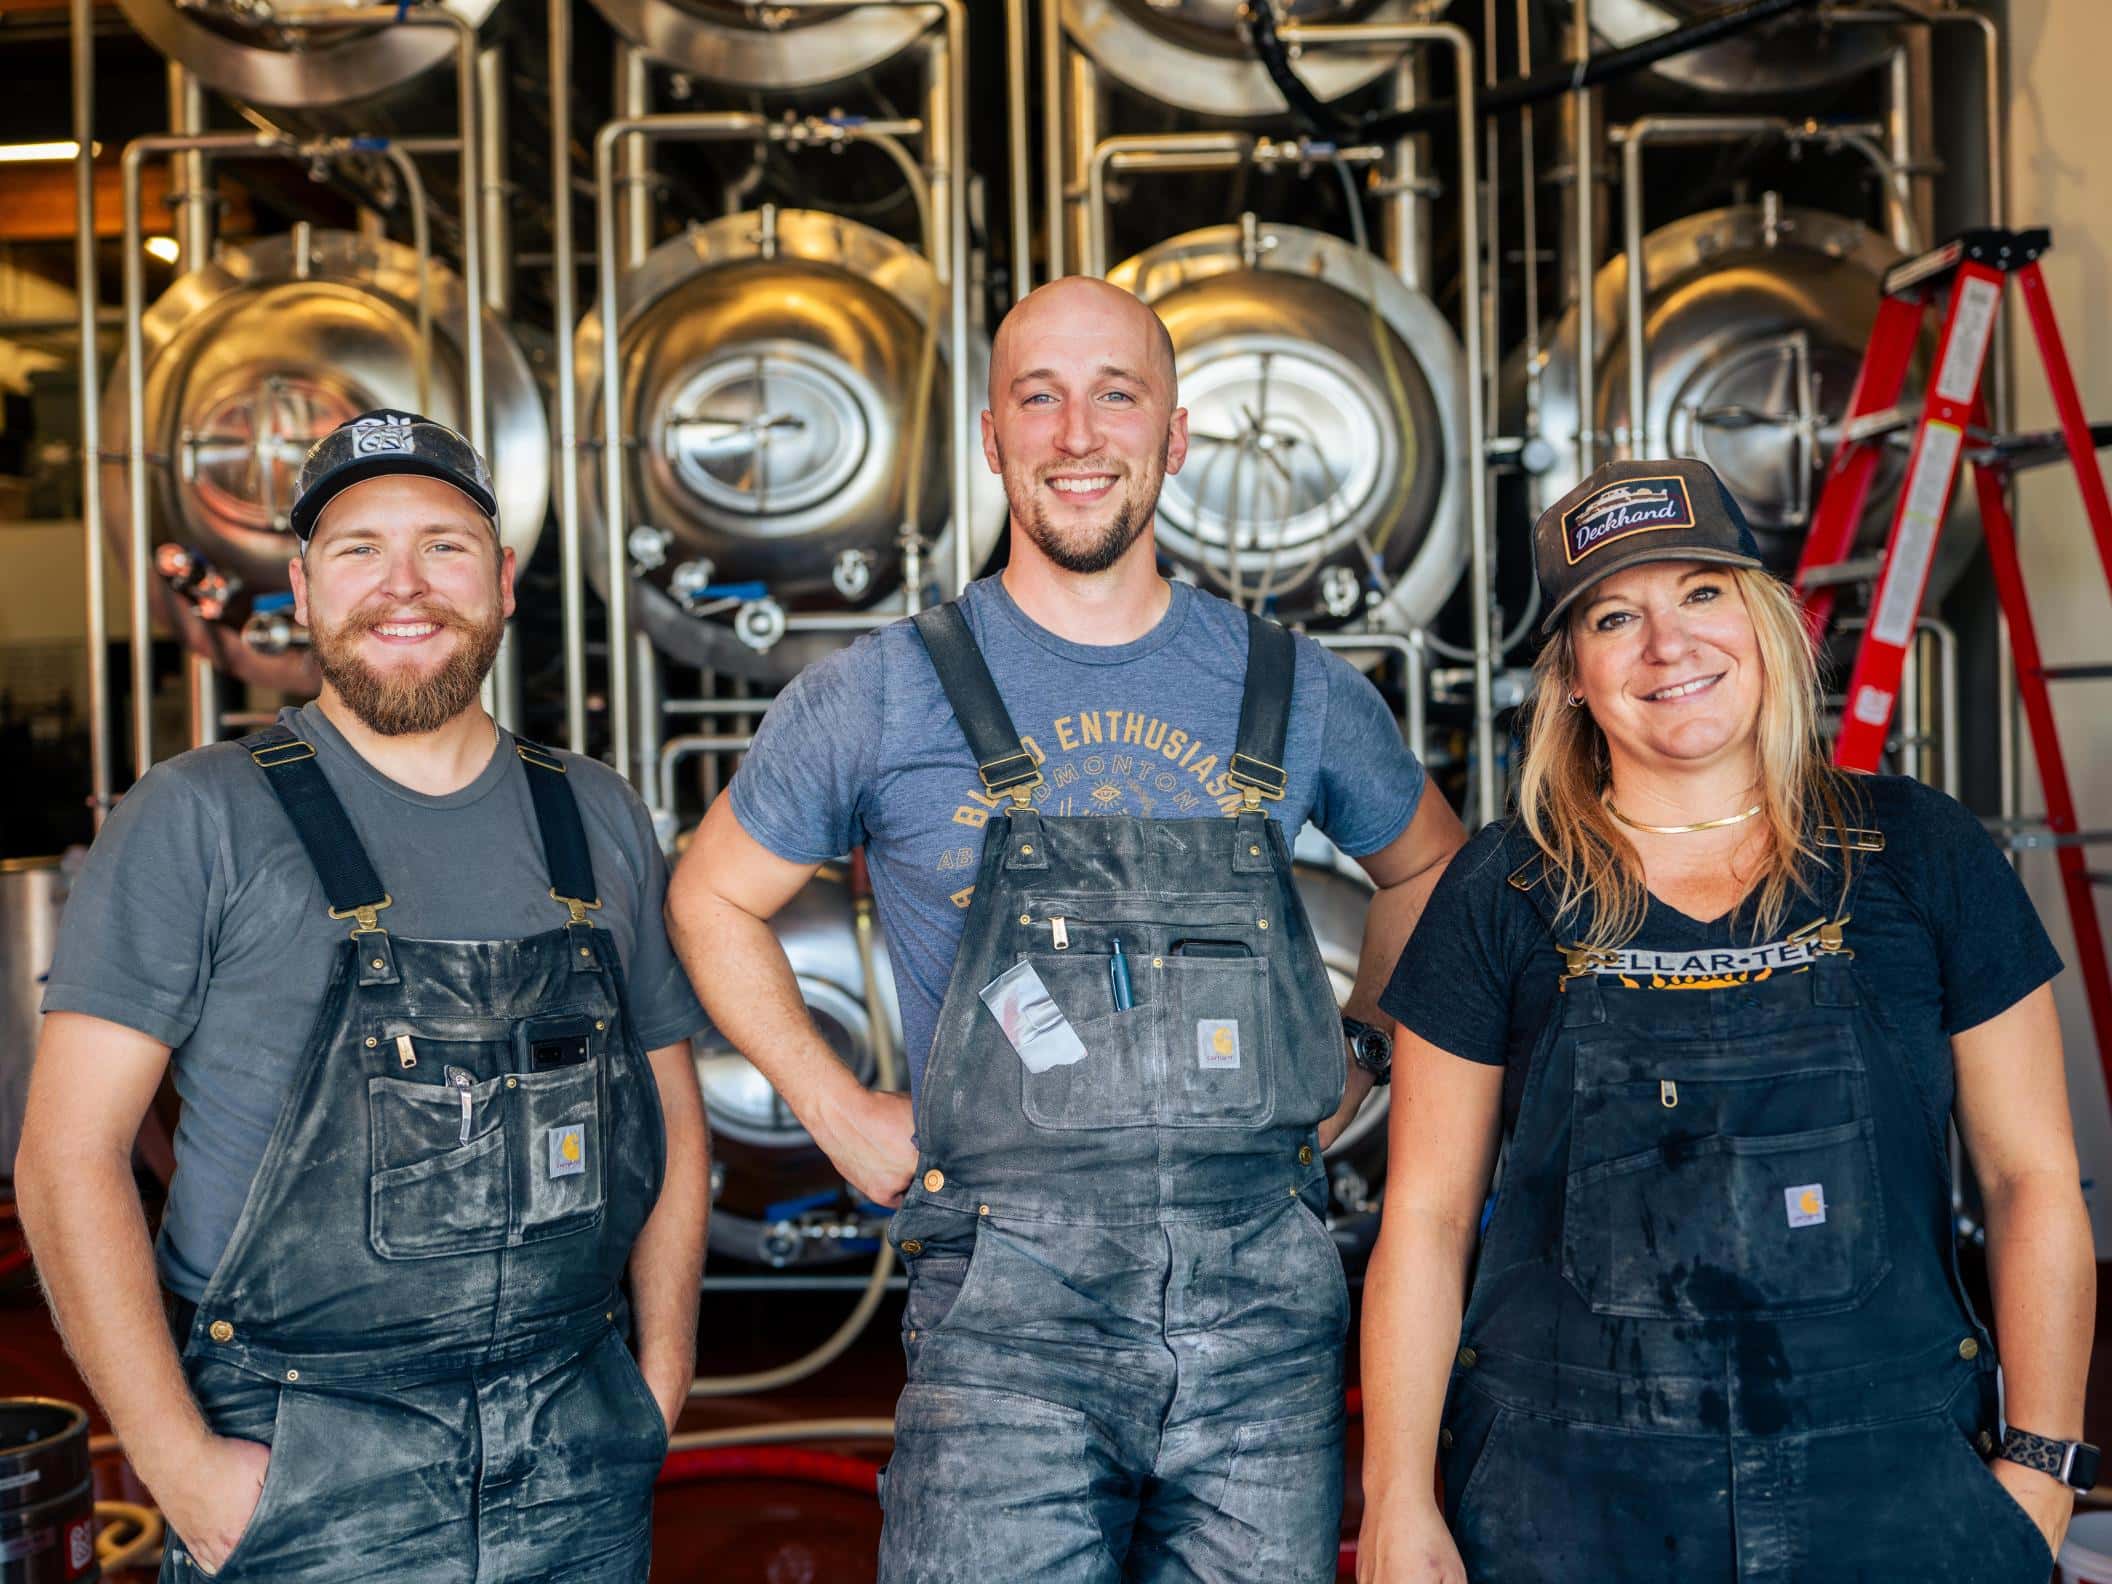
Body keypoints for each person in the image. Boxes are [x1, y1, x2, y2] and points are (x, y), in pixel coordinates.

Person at [666, 275, 1464, 1582]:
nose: (1077, 434)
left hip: (1264, 1302)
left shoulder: (1295, 687)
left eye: (1115, 395)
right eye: (1039, 397)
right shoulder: (880, 691)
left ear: (1175, 436)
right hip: (1000, 1311)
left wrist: (1360, 1054)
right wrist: (832, 1104)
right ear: (992, 438)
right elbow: (708, 895)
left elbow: (1432, 866)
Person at [1355, 458, 2095, 1583]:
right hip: (1567, 1504)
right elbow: (1425, 1216)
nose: (1670, 645)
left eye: (1702, 592)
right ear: (1570, 678)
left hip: (1892, 1494)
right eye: (1616, 615)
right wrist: (1400, 1499)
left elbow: (2032, 1178)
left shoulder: (1920, 852)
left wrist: (2041, 1469)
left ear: (1767, 621)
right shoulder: (1502, 888)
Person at [15, 411, 710, 1583]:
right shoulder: (195, 814)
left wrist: (662, 1377)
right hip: (296, 1454)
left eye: (443, 546)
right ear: (301, 584)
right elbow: (65, 1157)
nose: (404, 586)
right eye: (358, 549)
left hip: (576, 1445)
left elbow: (671, 1118)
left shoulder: (596, 813)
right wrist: (178, 1461)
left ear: (501, 578)